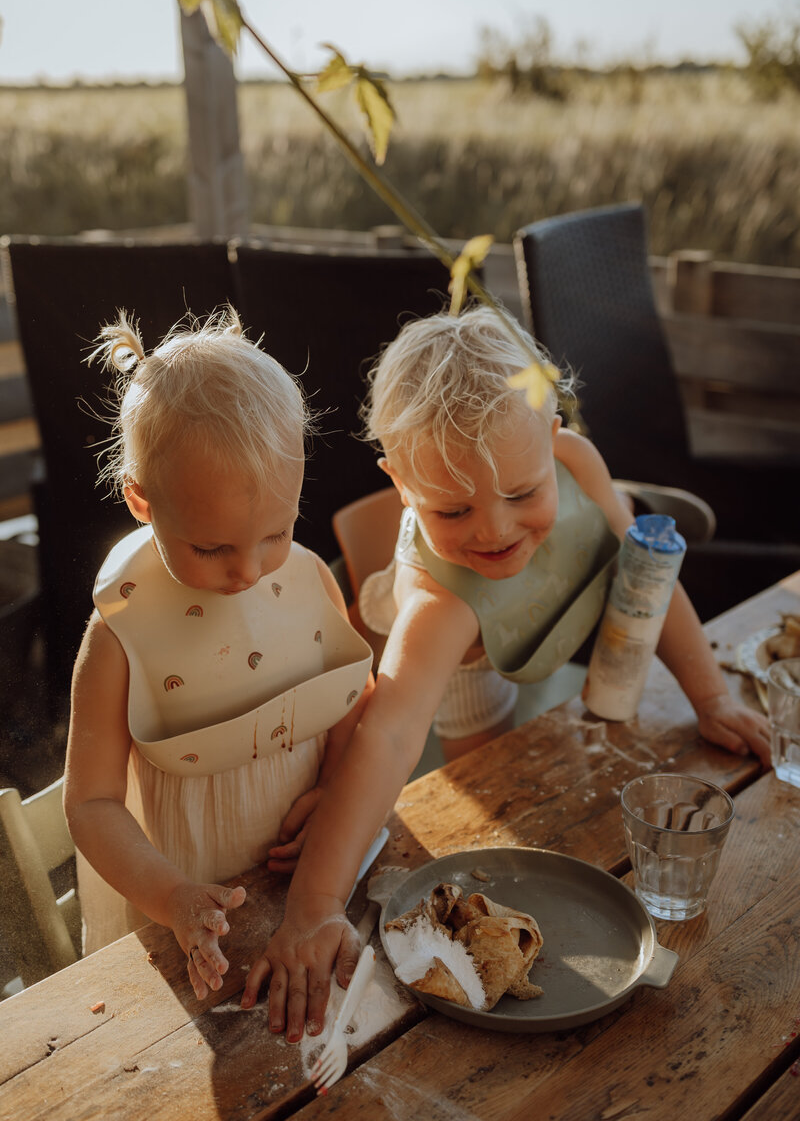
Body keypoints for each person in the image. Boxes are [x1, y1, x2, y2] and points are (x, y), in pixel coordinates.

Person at [242, 304, 771, 1038]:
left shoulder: (576, 460)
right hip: (464, 655)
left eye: (522, 493)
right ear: (400, 482)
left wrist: (710, 697)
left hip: (543, 617)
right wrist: (314, 907)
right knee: (492, 797)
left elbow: (647, 571)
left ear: (554, 443)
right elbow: (391, 735)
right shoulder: (439, 606)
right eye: (452, 509)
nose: (492, 529)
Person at [63, 307, 373, 1000]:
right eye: (212, 548)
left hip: (307, 892)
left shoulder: (309, 580)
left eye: (276, 532)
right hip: (183, 918)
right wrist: (171, 897)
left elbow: (351, 701)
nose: (249, 570)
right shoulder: (119, 635)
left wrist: (336, 790)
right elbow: (91, 803)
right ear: (143, 501)